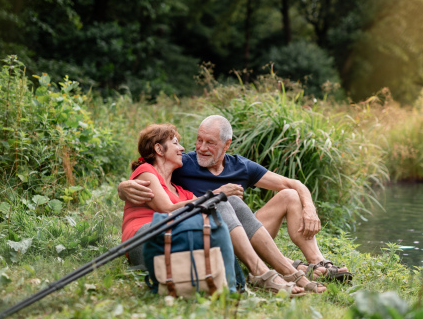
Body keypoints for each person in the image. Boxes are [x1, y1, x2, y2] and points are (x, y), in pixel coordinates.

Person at [119, 115, 352, 285]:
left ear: (226, 144)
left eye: (210, 142)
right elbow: (151, 173)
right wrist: (123, 188)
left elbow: (293, 184)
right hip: (187, 231)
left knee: (287, 195)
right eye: (198, 141)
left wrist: (309, 208)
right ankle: (287, 268)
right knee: (221, 202)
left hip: (235, 230)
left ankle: (317, 262)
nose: (199, 148)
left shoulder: (238, 167)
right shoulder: (181, 164)